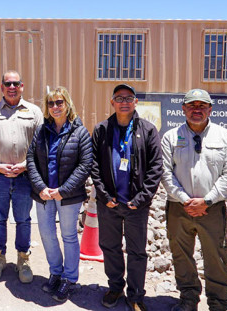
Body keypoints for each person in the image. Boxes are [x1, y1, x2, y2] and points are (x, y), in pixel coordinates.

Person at [161, 89, 227, 311]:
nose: (197, 110)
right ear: (183, 109)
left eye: (202, 106)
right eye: (192, 106)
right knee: (181, 255)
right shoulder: (170, 137)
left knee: (216, 256)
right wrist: (185, 199)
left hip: (212, 209)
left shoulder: (225, 136)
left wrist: (208, 200)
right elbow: (165, 172)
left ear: (210, 109)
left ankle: (218, 304)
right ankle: (188, 300)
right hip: (178, 207)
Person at [91, 84, 162, 311]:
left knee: (137, 251)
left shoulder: (148, 130)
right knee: (110, 247)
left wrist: (140, 199)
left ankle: (135, 295)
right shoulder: (101, 129)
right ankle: (114, 287)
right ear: (112, 102)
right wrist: (104, 195)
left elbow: (155, 169)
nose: (124, 102)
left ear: (135, 102)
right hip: (109, 203)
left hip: (135, 206)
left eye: (129, 98)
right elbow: (94, 166)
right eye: (119, 98)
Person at [26, 86, 92, 302]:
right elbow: (31, 160)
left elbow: (85, 165)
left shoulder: (79, 131)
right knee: (46, 233)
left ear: (67, 104)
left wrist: (63, 190)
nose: (55, 107)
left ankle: (69, 278)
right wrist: (41, 188)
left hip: (68, 197)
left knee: (69, 236)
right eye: (51, 103)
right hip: (44, 194)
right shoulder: (41, 131)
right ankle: (56, 272)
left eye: (59, 102)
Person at [0, 70, 43, 283]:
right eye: (8, 83)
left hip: (24, 177)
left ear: (22, 86)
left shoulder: (34, 112)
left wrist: (26, 164)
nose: (12, 87)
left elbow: (40, 142)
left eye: (16, 83)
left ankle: (23, 259)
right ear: (2, 86)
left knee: (24, 220)